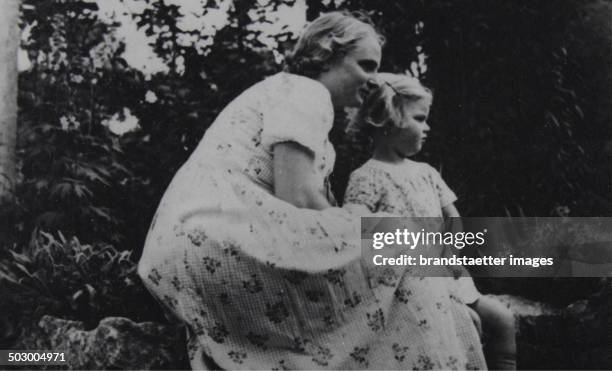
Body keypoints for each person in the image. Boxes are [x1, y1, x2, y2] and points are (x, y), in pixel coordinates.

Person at [138, 12, 486, 369]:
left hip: (189, 256)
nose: (373, 80)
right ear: (326, 54)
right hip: (221, 243)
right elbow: (299, 198)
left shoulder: (282, 92)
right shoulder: (306, 91)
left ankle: (443, 317)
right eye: (366, 65)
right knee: (394, 237)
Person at [344, 72, 516, 370]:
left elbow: (452, 217)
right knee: (468, 324)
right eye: (420, 118)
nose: (428, 127)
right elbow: (359, 234)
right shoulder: (365, 178)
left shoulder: (426, 173)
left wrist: (450, 252)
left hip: (448, 274)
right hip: (405, 288)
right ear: (389, 119)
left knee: (501, 318)